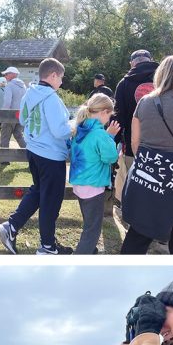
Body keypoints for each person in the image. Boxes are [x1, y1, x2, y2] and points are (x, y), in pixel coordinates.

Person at [120, 54, 173, 255]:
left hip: (145, 178)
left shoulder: (144, 102)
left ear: (161, 74)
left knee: (138, 235)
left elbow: (135, 142)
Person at [0, 58, 72, 256]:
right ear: (53, 75)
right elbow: (60, 131)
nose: (62, 82)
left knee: (38, 191)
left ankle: (11, 226)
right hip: (51, 155)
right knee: (51, 201)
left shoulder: (30, 92)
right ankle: (47, 246)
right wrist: (74, 125)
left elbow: (22, 118)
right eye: (61, 78)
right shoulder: (52, 98)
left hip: (34, 151)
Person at [69, 93, 120, 254]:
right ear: (103, 112)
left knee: (88, 222)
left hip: (79, 184)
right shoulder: (99, 134)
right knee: (92, 230)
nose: (109, 119)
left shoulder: (79, 128)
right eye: (109, 115)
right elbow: (110, 157)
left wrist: (107, 135)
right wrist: (110, 136)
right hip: (93, 186)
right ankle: (82, 257)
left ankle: (89, 251)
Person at [113, 49, 160, 158]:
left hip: (133, 146)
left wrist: (114, 141)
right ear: (150, 61)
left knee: (133, 173)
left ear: (132, 63)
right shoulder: (164, 81)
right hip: (162, 146)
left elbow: (118, 116)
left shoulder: (124, 83)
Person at [0, 67, 27, 158]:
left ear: (12, 74)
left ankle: (3, 159)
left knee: (5, 136)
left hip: (10, 115)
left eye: (6, 74)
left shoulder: (9, 85)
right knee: (18, 135)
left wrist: (3, 115)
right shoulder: (23, 85)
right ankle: (29, 156)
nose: (5, 76)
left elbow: (7, 102)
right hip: (20, 114)